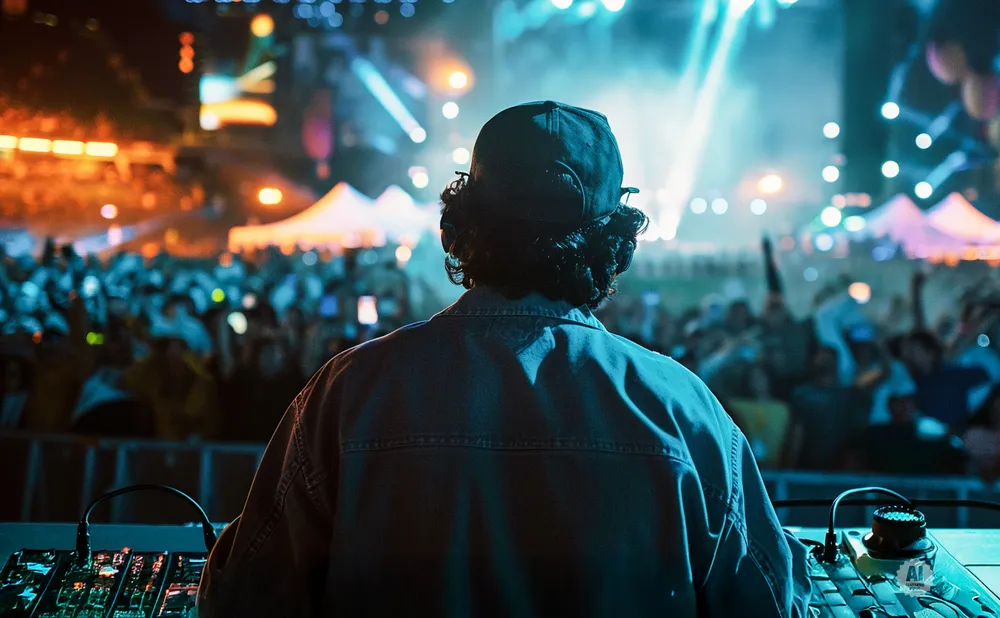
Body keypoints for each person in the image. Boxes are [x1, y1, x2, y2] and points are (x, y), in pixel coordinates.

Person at [197, 101, 811, 617]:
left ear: (461, 228)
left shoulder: (351, 391)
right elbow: (769, 601)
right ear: (615, 246)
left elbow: (244, 597)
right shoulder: (683, 409)